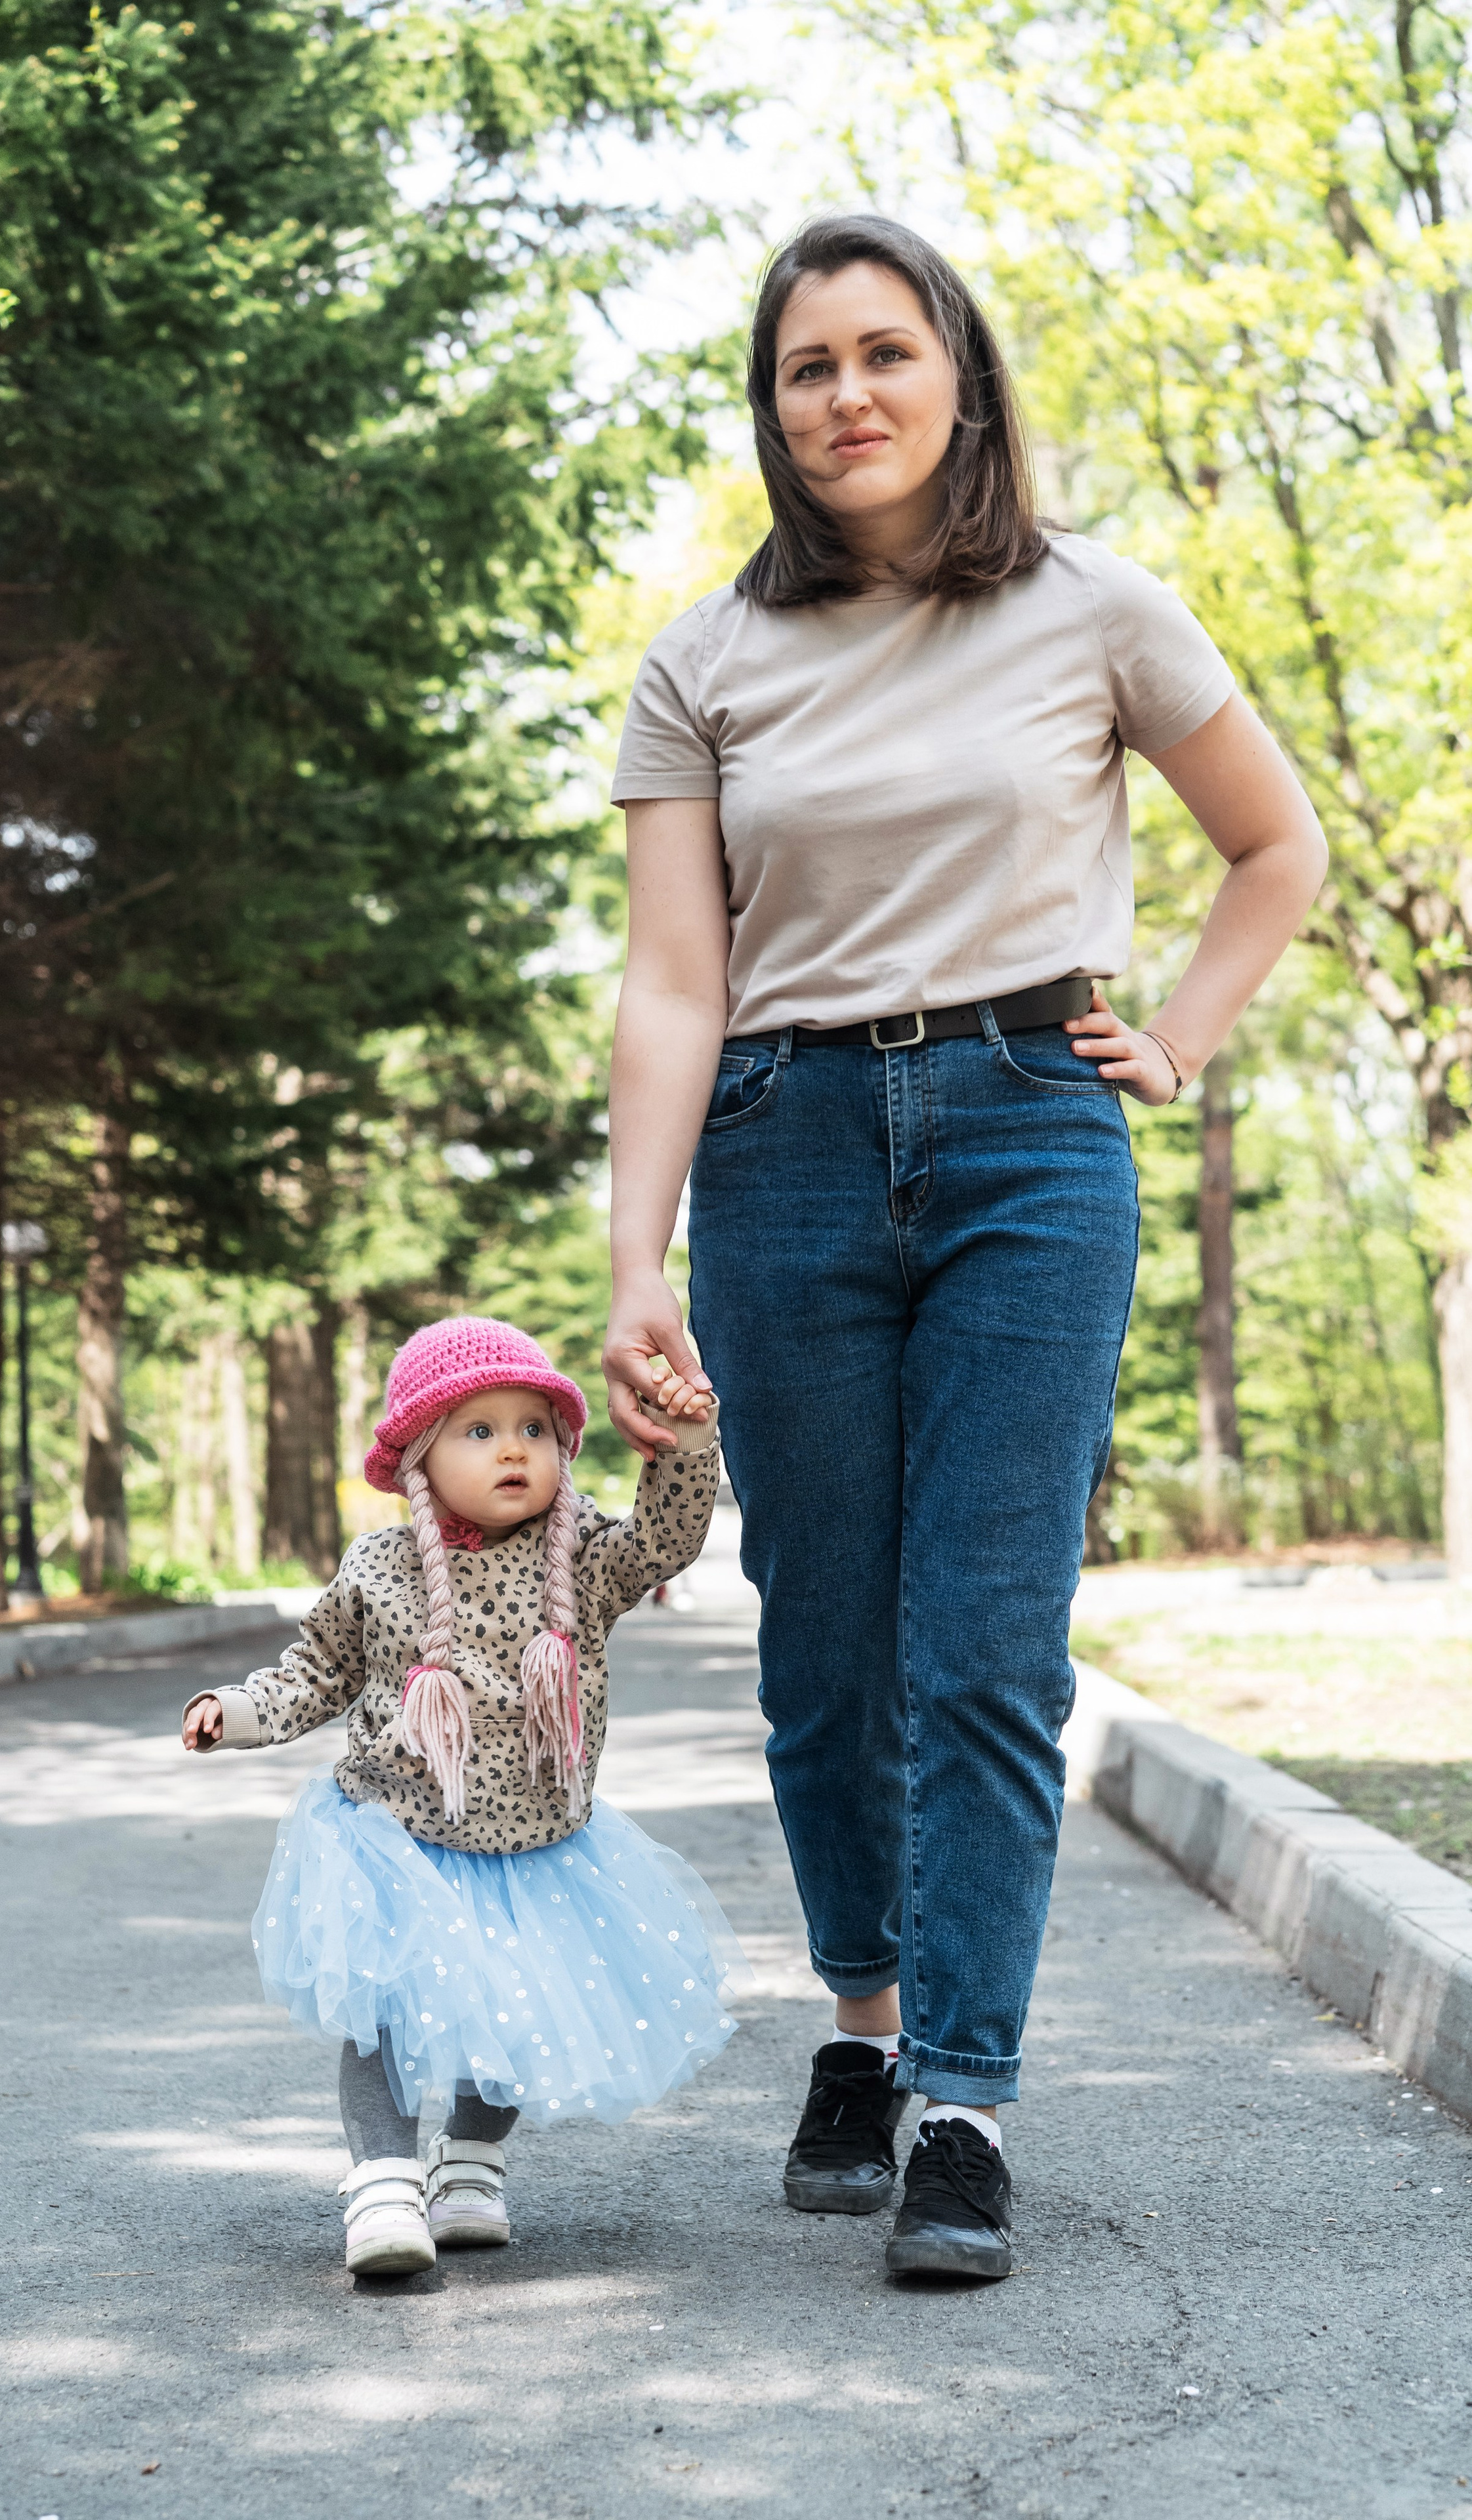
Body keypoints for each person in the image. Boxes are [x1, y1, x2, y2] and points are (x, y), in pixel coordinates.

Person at [602, 213, 1328, 2282]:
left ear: (961, 378)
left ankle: (967, 2106)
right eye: (804, 367)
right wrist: (638, 1260)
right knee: (822, 1639)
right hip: (782, 1147)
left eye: (883, 353)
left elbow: (1275, 844)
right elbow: (673, 980)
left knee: (987, 1643)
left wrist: (1175, 1036)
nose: (845, 395)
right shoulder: (706, 662)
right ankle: (863, 2023)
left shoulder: (1094, 607)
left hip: (1031, 1139)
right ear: (774, 410)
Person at [182, 1314, 742, 2278]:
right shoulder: (379, 1570)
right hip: (395, 1834)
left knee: (515, 2007)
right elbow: (315, 1672)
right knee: (385, 2010)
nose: (514, 1447)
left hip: (533, 1844)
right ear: (417, 1458)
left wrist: (688, 1439)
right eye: (479, 1431)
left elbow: (667, 1540)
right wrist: (234, 1711)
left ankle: (472, 2163)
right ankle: (385, 2182)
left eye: (532, 1426)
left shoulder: (583, 1556)